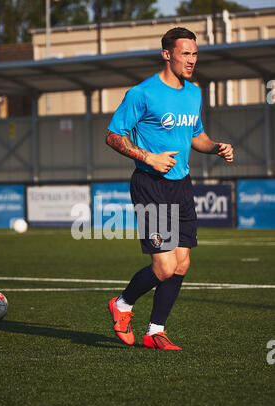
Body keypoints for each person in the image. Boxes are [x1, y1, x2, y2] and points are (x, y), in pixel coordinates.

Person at [105, 27, 234, 350]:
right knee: (163, 266)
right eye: (185, 53)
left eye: (194, 54)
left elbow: (196, 136)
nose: (191, 60)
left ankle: (155, 331)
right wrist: (148, 156)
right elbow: (113, 136)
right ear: (167, 54)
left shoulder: (193, 93)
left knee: (181, 263)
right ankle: (122, 305)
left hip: (182, 185)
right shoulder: (142, 93)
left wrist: (216, 146)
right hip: (151, 185)